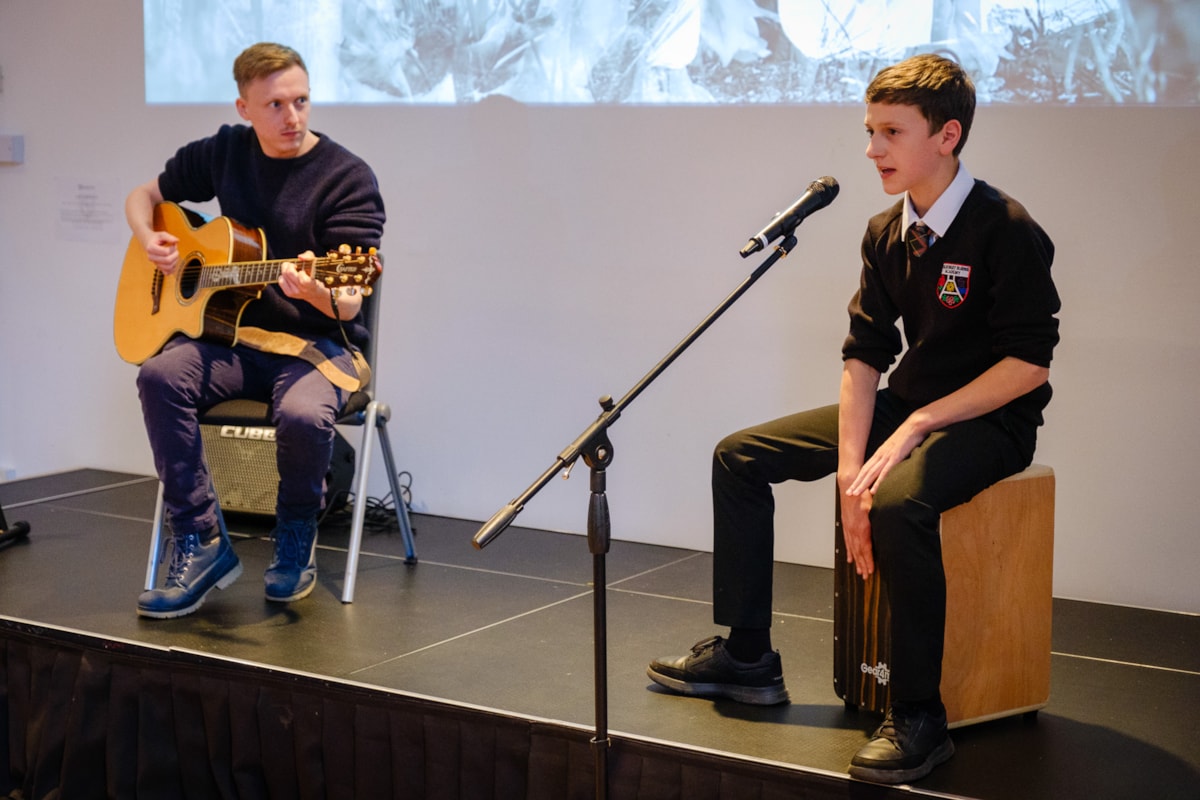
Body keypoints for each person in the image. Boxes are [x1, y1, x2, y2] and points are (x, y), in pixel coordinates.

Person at [647, 53, 1060, 784]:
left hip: (990, 421)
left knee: (900, 503)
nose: (871, 149)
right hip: (913, 407)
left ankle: (920, 714)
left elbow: (1028, 364)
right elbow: (865, 358)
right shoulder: (884, 232)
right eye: (870, 130)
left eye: (890, 133)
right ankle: (747, 656)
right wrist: (846, 472)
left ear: (947, 136)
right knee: (738, 457)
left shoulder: (1005, 227)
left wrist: (915, 426)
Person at [125, 42, 386, 619]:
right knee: (159, 375)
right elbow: (143, 196)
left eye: (301, 101)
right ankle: (200, 539)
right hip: (233, 340)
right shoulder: (224, 152)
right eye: (274, 105)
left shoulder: (346, 178)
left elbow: (348, 303)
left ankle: (296, 534)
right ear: (244, 107)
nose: (292, 118)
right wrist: (150, 239)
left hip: (315, 349)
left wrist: (318, 290)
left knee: (301, 414)